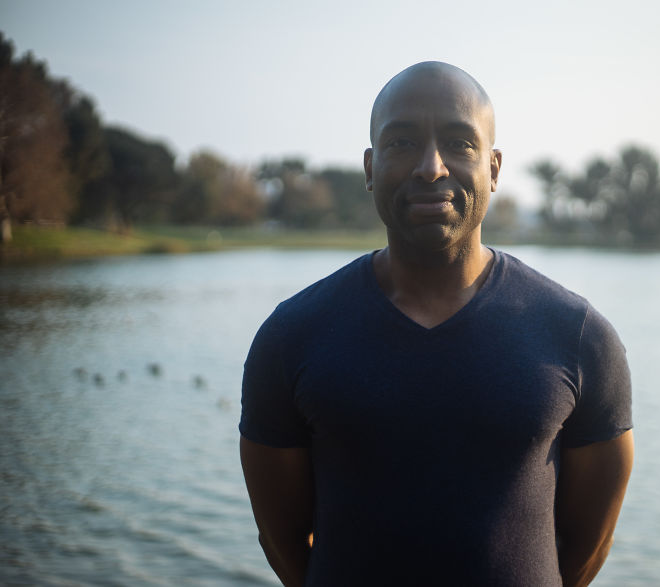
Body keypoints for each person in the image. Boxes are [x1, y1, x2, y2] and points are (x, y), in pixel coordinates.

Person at [239, 61, 633, 587]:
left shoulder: (579, 336)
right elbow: (282, 538)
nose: (430, 167)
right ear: (370, 166)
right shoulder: (292, 336)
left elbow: (591, 542)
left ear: (493, 167)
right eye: (401, 143)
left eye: (459, 143)